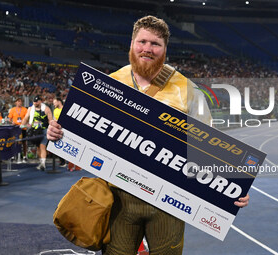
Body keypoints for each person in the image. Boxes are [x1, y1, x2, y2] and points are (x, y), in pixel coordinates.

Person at [47, 15, 250, 255]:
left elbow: (210, 145)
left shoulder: (187, 89)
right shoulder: (110, 84)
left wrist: (231, 187)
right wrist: (58, 134)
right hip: (118, 196)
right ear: (132, 44)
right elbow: (86, 132)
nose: (148, 49)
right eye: (142, 42)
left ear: (165, 49)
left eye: (155, 44)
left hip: (168, 201)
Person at [22, 95, 53, 171]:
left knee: (42, 146)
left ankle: (43, 164)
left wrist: (51, 128)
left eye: (37, 101)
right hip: (34, 131)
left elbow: (50, 119)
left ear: (40, 101)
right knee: (38, 147)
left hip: (44, 130)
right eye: (34, 102)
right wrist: (22, 125)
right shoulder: (30, 109)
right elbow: (26, 117)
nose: (35, 103)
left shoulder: (46, 109)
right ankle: (41, 162)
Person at [8, 98, 28, 162]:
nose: (20, 102)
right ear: (15, 102)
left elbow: (27, 118)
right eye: (18, 101)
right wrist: (12, 123)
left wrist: (23, 123)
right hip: (15, 128)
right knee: (14, 142)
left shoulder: (25, 109)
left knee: (24, 142)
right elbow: (9, 119)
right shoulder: (12, 110)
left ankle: (25, 156)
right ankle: (13, 156)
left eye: (21, 101)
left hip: (23, 127)